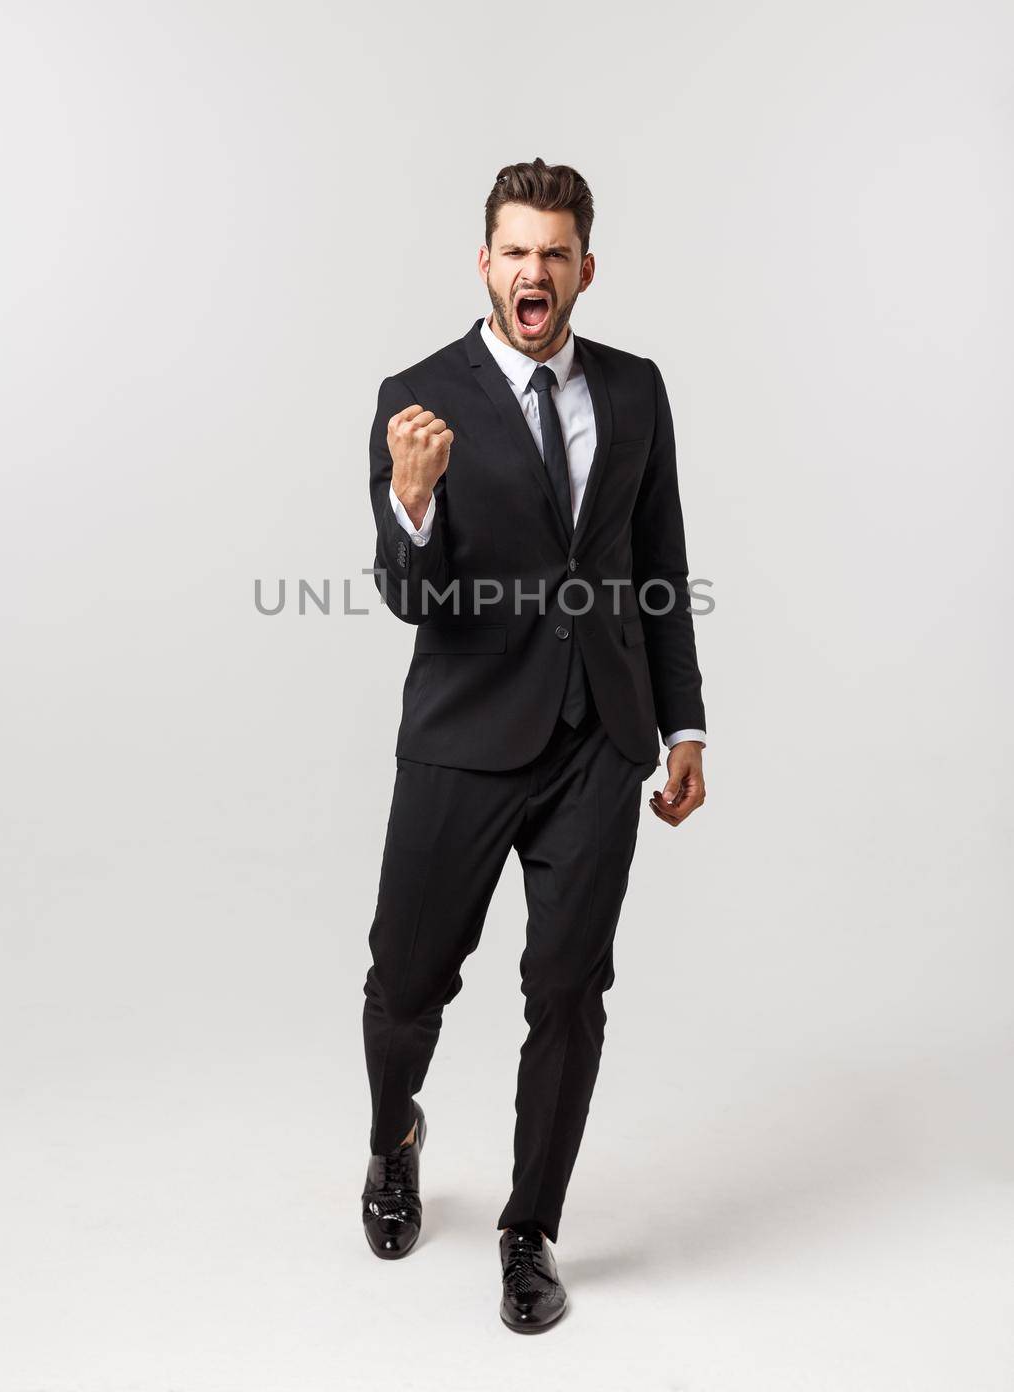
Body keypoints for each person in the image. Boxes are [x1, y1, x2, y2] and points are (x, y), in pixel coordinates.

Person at [360, 157, 707, 1332]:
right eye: (515, 250)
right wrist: (412, 500)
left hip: (595, 742)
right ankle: (392, 1134)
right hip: (461, 739)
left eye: (555, 253)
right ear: (485, 263)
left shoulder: (636, 389)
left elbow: (655, 566)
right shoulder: (416, 397)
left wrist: (681, 723)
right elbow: (408, 595)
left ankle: (528, 1227)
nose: (534, 270)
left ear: (583, 270)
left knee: (567, 989)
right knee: (407, 981)